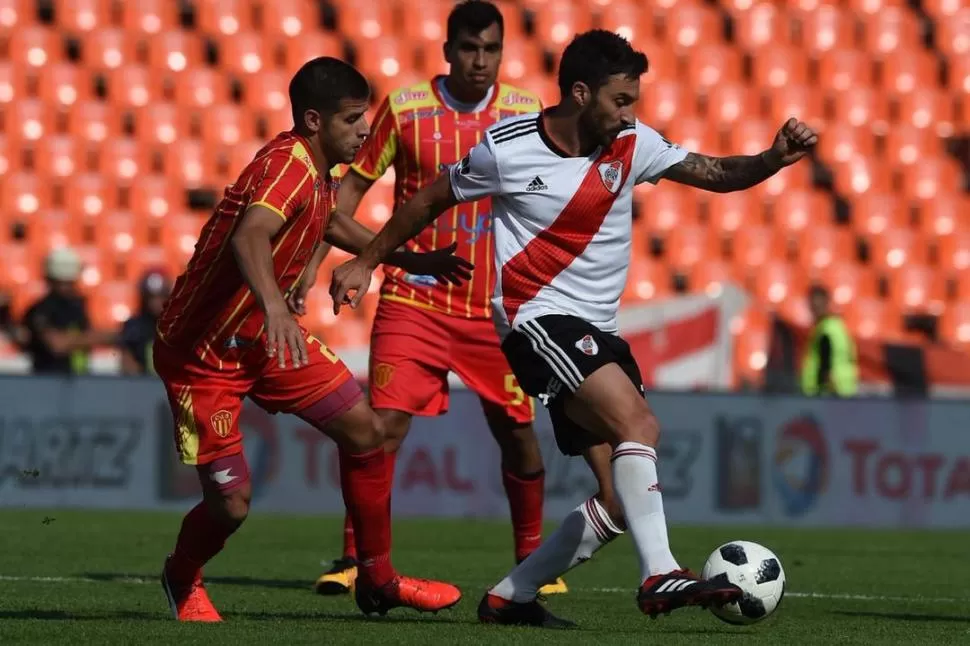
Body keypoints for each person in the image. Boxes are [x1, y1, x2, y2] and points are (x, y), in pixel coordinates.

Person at [330, 30, 818, 627]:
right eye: (620, 100)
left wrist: (770, 160)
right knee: (639, 424)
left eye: (634, 100)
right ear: (581, 94)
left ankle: (512, 596)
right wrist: (366, 259)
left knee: (616, 501)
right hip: (535, 321)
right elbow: (428, 201)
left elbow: (713, 172)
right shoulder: (506, 148)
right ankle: (659, 569)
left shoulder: (633, 144)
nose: (630, 113)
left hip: (597, 332)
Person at [153, 56, 471, 622]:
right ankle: (181, 576)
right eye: (352, 120)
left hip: (263, 344)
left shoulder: (317, 174)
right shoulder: (286, 167)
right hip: (203, 357)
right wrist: (276, 308)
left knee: (366, 430)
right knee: (231, 505)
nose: (364, 130)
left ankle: (377, 579)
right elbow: (250, 236)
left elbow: (331, 224)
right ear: (313, 120)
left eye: (364, 118)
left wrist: (409, 257)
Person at [314, 0, 566, 598]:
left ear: (502, 53)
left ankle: (531, 562)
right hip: (414, 299)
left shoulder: (527, 113)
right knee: (380, 428)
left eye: (491, 50)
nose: (480, 62)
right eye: (470, 49)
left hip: (496, 309)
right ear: (448, 50)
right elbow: (350, 188)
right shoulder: (406, 109)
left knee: (519, 434)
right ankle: (356, 559)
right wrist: (319, 262)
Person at [22, 247, 115, 374]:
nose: (69, 286)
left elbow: (86, 333)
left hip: (80, 379)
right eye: (65, 282)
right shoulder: (40, 310)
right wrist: (106, 337)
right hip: (49, 381)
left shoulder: (77, 307)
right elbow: (57, 345)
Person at [801, 284, 858, 396]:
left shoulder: (825, 331)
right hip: (844, 390)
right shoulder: (838, 326)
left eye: (816, 305)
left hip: (830, 393)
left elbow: (826, 366)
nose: (814, 309)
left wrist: (830, 390)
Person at [119, 269, 171, 375]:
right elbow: (127, 361)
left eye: (161, 296)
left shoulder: (177, 325)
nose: (156, 302)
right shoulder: (133, 326)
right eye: (152, 297)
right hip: (142, 386)